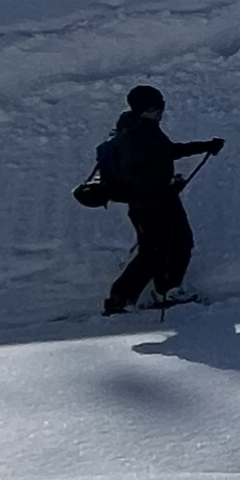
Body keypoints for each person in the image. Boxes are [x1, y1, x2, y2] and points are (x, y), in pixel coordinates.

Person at [94, 86, 224, 316]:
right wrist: (170, 187)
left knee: (177, 243)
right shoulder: (134, 136)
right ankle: (124, 298)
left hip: (161, 201)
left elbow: (166, 152)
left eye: (160, 107)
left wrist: (203, 146)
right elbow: (138, 179)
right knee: (156, 251)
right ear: (141, 110)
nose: (159, 112)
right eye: (154, 109)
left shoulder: (144, 128)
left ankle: (166, 289)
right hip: (149, 206)